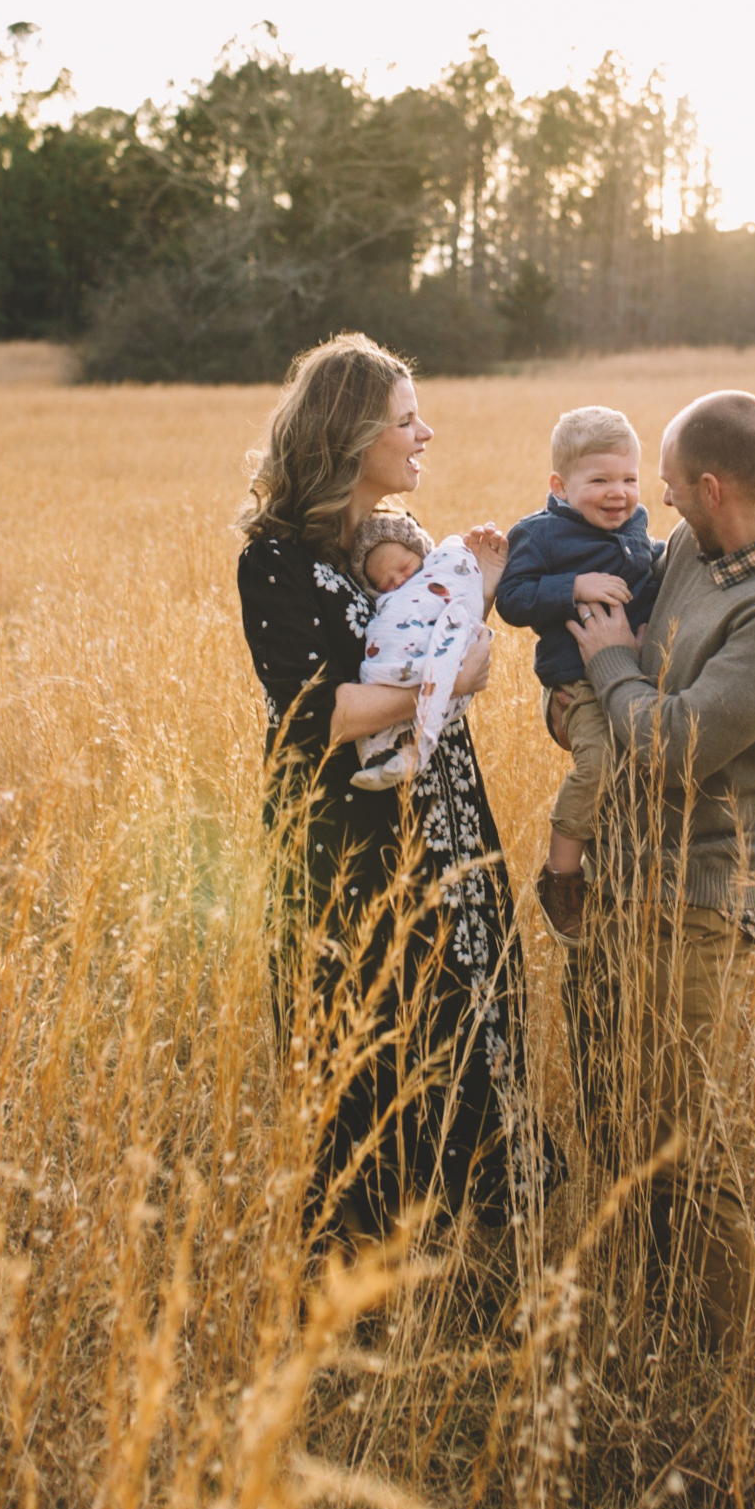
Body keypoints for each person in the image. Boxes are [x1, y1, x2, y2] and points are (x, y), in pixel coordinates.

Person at [235, 333, 555, 1239]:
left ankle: (470, 1244)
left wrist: (479, 601)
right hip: (346, 840)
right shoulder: (277, 560)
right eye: (406, 420)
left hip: (445, 815)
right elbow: (315, 713)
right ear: (348, 436)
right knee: (364, 1031)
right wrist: (449, 681)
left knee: (467, 1006)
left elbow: (425, 634)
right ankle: (366, 1260)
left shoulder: (390, 540)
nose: (426, 434)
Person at [564, 388, 755, 1349]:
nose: (663, 507)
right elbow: (635, 691)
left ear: (714, 486)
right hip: (616, 876)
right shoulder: (698, 549)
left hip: (691, 904)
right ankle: (658, 1332)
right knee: (616, 1125)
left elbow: (673, 741)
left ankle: (735, 1368)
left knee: (681, 1145)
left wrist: (606, 669)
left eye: (676, 490)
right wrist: (599, 698)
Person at [495, 406, 666, 943]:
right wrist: (574, 587)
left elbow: (650, 576)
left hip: (629, 671)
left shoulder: (636, 528)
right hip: (578, 681)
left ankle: (626, 865)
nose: (619, 493)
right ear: (560, 485)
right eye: (600, 481)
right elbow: (513, 600)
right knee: (600, 761)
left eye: (629, 479)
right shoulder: (541, 535)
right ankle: (562, 876)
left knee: (643, 766)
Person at [347, 513, 494, 791]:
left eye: (405, 567)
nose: (400, 582)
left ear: (421, 551)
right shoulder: (393, 602)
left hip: (446, 672)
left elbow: (457, 602)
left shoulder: (442, 565)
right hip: (408, 678)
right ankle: (383, 756)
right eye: (385, 584)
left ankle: (412, 754)